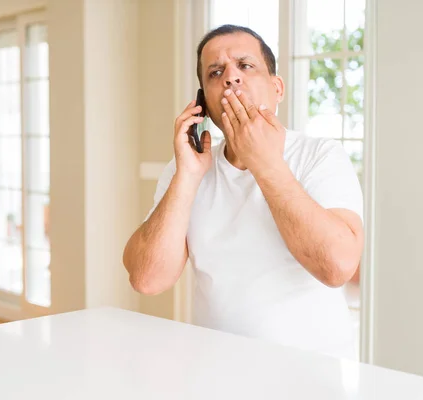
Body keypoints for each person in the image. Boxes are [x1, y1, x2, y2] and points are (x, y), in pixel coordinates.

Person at [123, 24, 364, 359]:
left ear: (277, 87)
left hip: (312, 378)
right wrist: (187, 177)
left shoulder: (320, 156)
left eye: (245, 66)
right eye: (216, 72)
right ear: (202, 103)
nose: (231, 77)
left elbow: (338, 267)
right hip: (215, 372)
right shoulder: (187, 169)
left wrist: (265, 163)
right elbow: (147, 279)